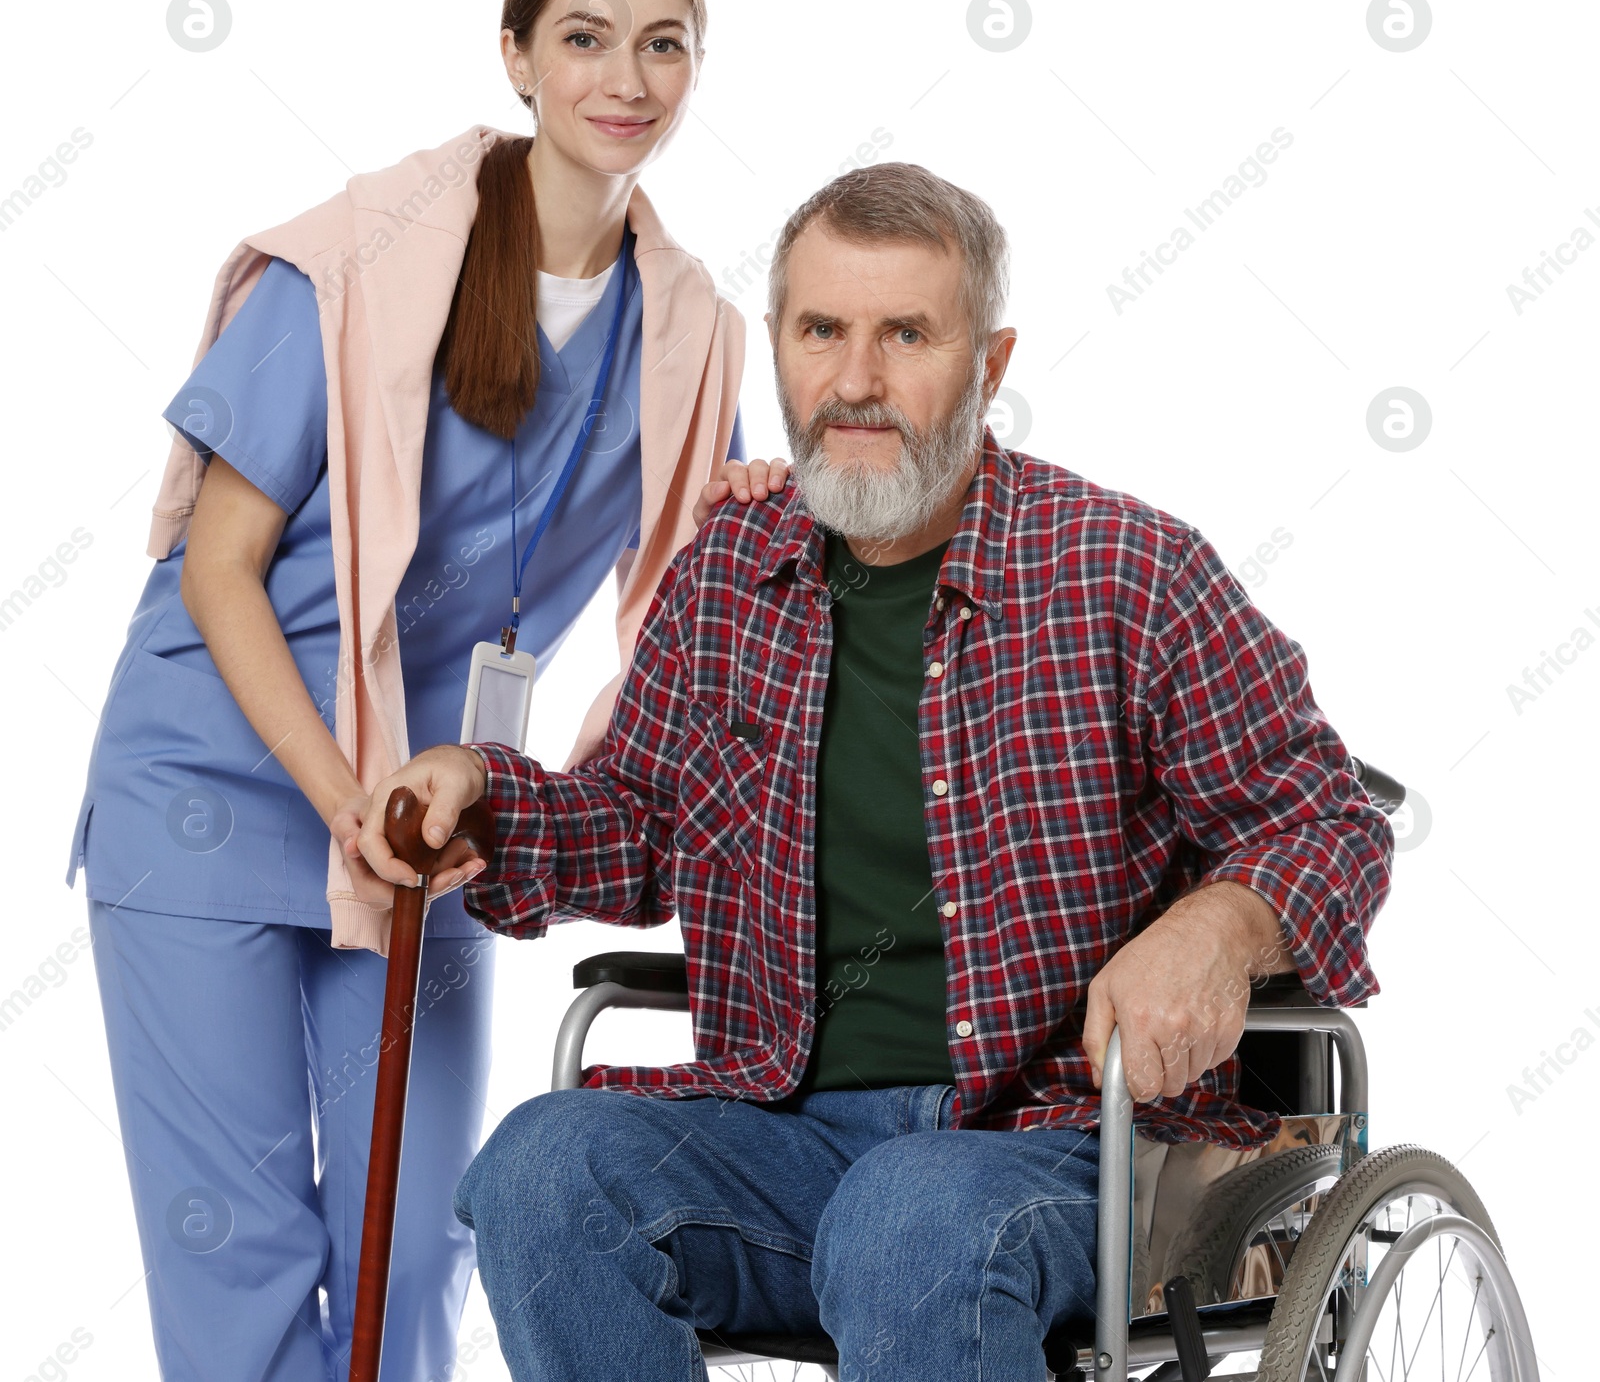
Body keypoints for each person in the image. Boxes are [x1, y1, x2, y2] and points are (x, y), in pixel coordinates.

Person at [355, 162, 1394, 1381]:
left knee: (909, 1217)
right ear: (781, 350)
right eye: (821, 332)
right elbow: (635, 823)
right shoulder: (729, 573)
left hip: (1070, 1142)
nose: (855, 380)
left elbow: (1325, 819)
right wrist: (483, 790)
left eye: (907, 334)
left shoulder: (1123, 569)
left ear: (990, 364)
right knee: (540, 1169)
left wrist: (1218, 927)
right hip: (781, 1136)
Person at [65, 0, 790, 1382]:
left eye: (665, 44)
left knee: (412, 1240)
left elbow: (689, 603)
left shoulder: (693, 327)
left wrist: (768, 508)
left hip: (434, 803)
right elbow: (219, 570)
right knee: (244, 1239)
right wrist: (339, 789)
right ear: (517, 57)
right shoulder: (351, 262)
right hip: (217, 777)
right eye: (586, 36)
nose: (626, 75)